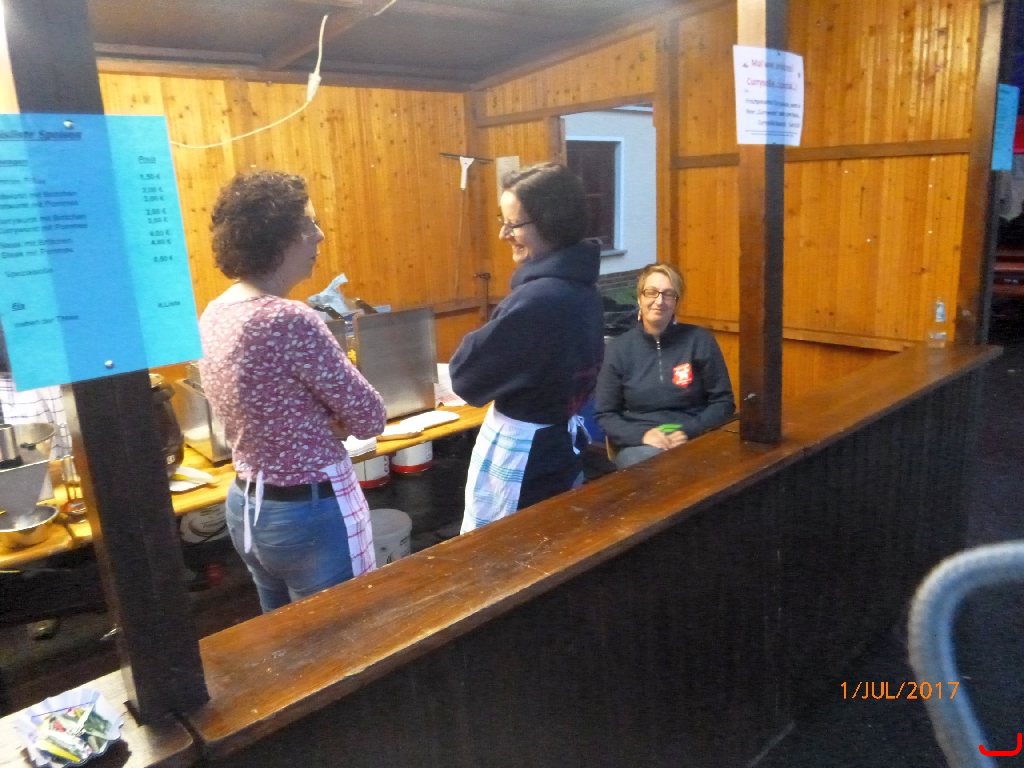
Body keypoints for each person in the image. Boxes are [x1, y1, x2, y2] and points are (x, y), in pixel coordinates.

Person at [198, 171, 386, 612]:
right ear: (276, 237)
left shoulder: (215, 311)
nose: (319, 235)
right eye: (308, 224)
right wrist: (331, 420)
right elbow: (370, 417)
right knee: (343, 634)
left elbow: (270, 408)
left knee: (285, 636)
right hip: (309, 515)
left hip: (248, 507)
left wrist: (320, 417)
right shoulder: (288, 318)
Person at [450, 163, 604, 532]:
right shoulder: (583, 289)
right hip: (556, 443)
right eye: (502, 221)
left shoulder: (539, 299)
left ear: (552, 224)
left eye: (513, 224)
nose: (503, 234)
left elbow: (465, 376)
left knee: (507, 549)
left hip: (527, 453)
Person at [595, 263, 735, 469]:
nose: (659, 301)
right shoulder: (618, 349)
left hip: (696, 437)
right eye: (651, 292)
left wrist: (690, 430)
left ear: (676, 301)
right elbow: (605, 414)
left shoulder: (699, 340)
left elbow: (723, 402)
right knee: (655, 468)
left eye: (668, 294)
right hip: (641, 445)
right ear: (639, 297)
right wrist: (642, 435)